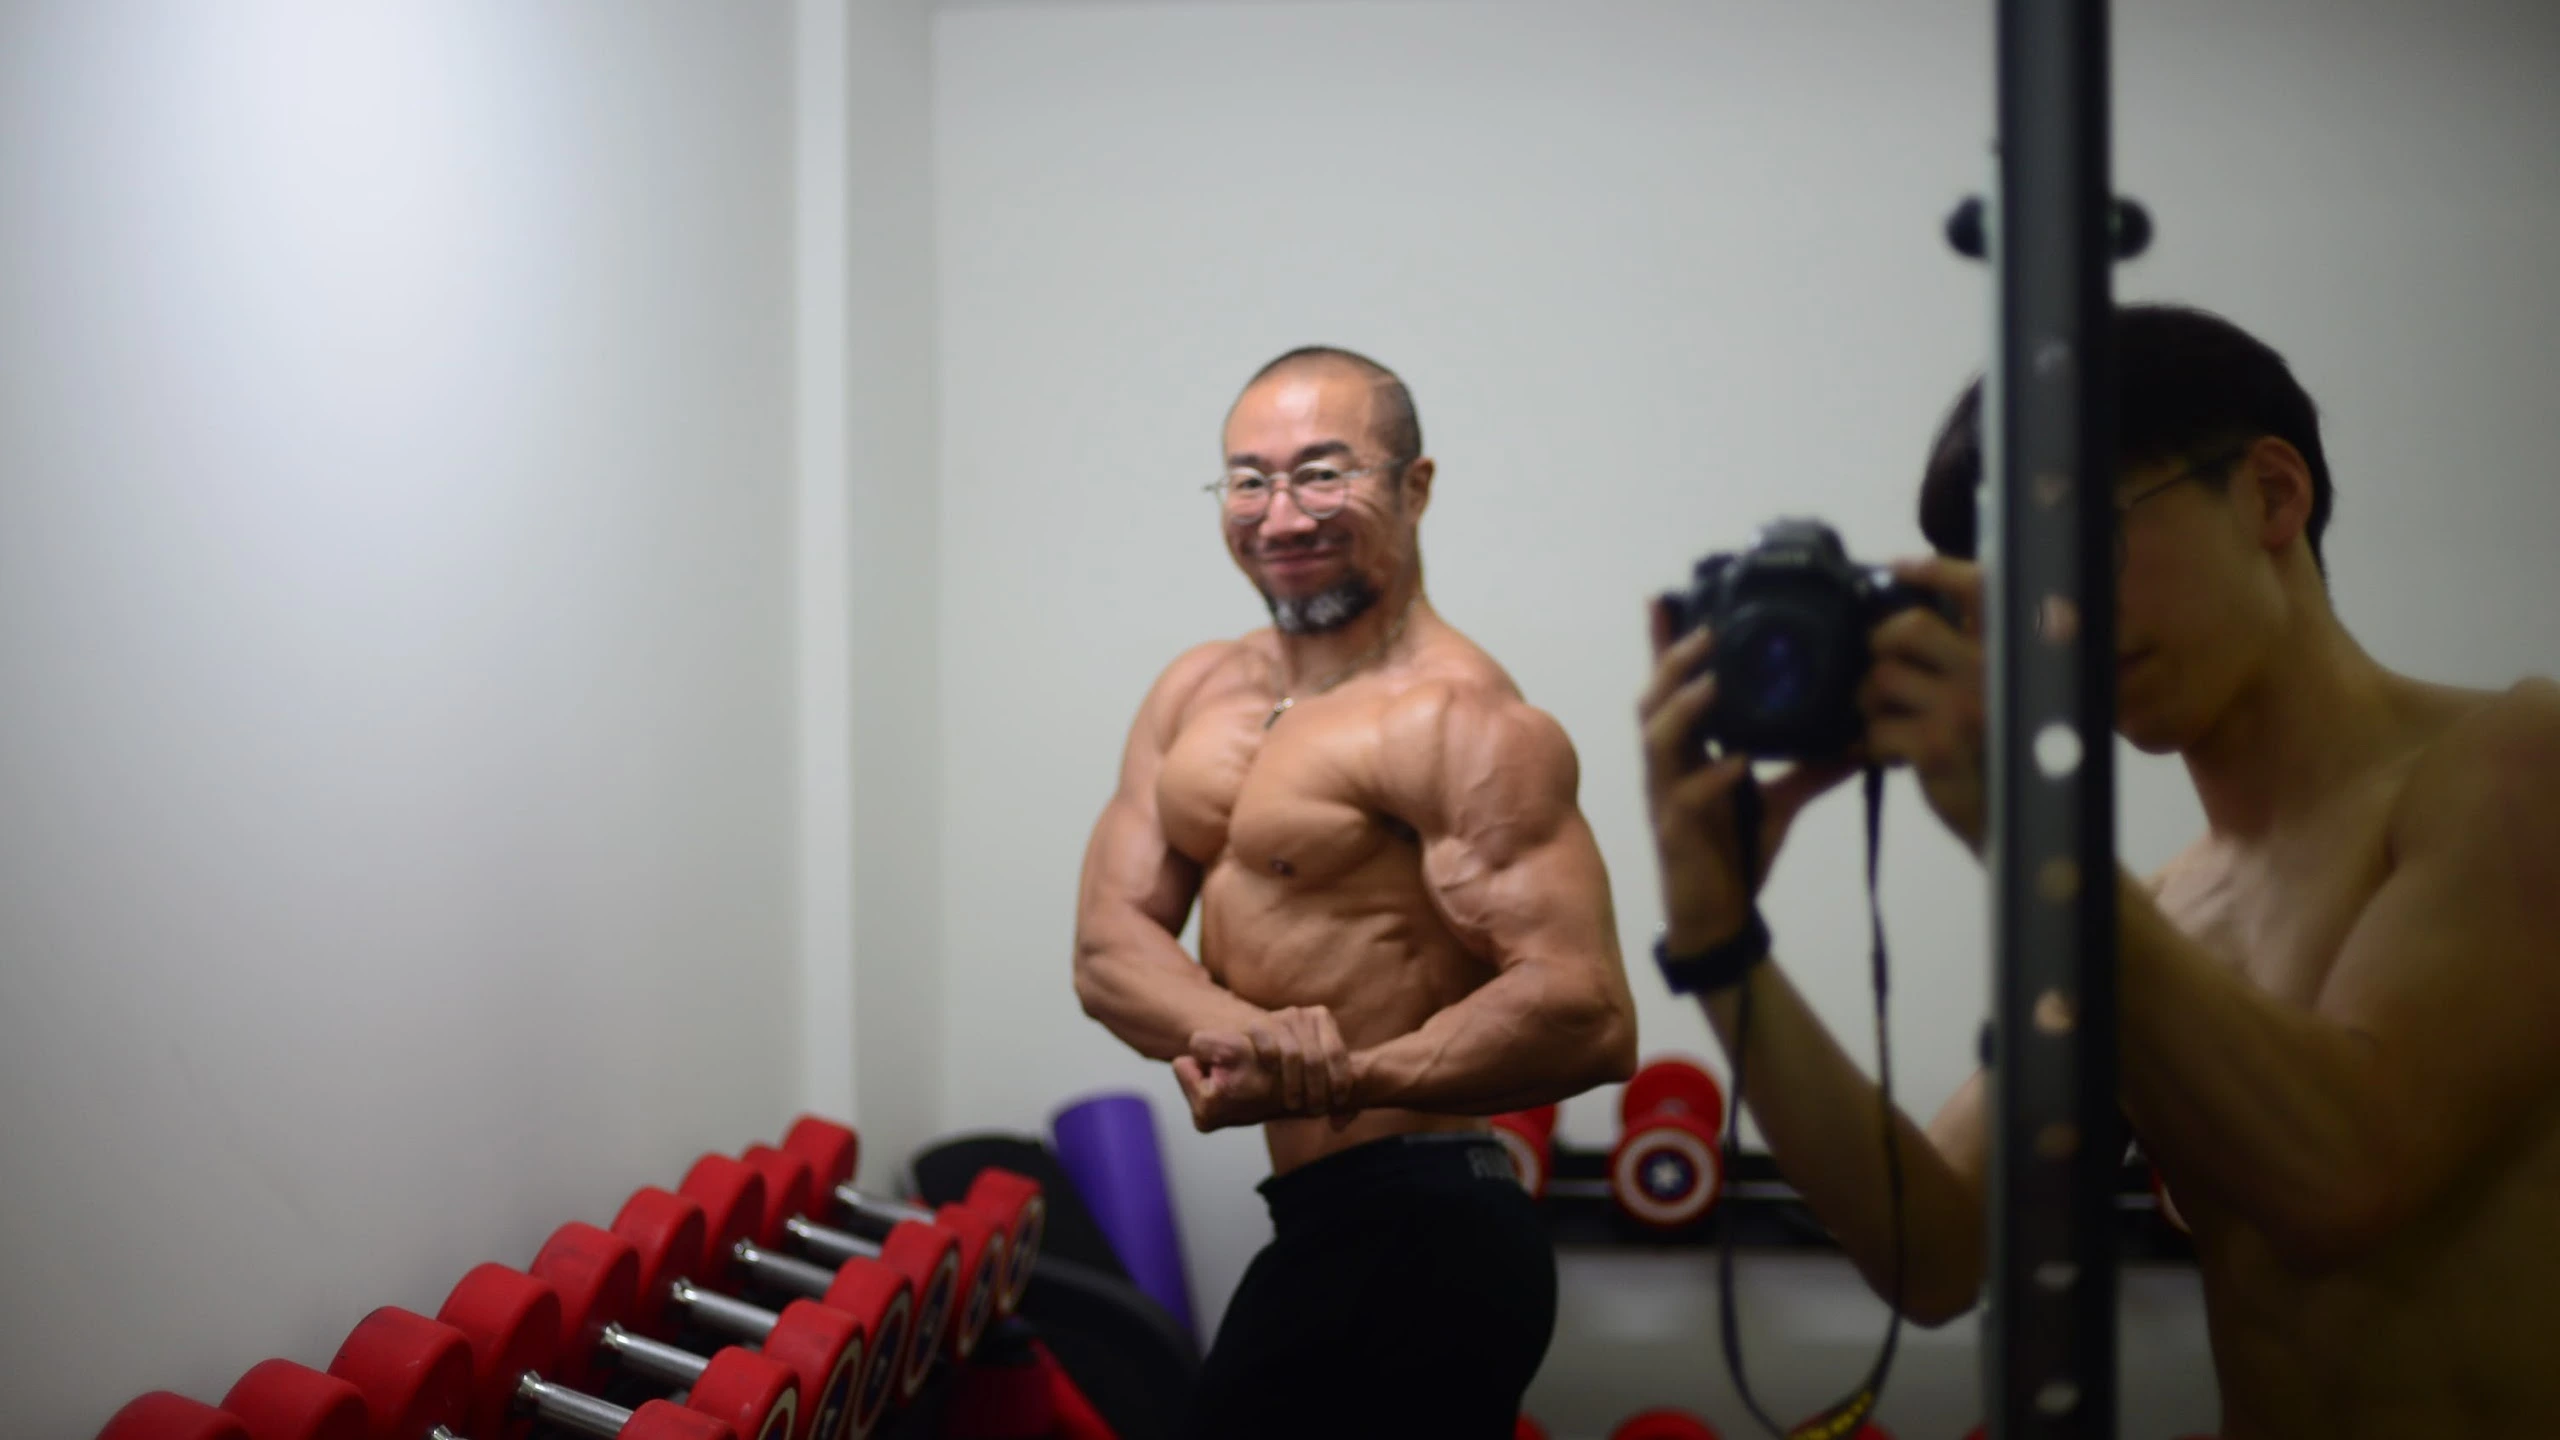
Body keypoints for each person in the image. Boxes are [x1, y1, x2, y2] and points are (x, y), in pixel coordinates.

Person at [1637, 303, 2560, 1438]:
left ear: (2272, 496)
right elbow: (1933, 1252)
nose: (2056, 622)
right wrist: (1720, 944)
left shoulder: (2516, 763)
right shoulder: (2161, 913)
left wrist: (2028, 832)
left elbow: (2344, 1176)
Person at [1074, 345, 1638, 1437]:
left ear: (1413, 487)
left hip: (1431, 1224)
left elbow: (1589, 1011)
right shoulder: (1196, 691)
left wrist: (1337, 1074)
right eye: (1250, 480)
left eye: (1322, 474)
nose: (1281, 515)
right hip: (1319, 1216)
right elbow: (1107, 945)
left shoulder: (1457, 717)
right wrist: (1252, 1039)